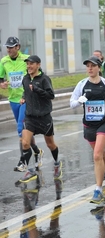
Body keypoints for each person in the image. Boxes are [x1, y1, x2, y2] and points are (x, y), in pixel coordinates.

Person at [70, 56, 105, 204]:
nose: (90, 68)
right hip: (89, 125)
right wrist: (78, 101)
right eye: (88, 66)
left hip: (104, 123)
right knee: (100, 155)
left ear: (99, 67)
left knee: (97, 155)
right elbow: (72, 103)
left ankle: (98, 190)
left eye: (93, 66)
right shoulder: (81, 84)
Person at [16, 55, 63, 191]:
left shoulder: (44, 79)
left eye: (31, 64)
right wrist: (24, 97)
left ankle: (56, 163)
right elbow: (26, 91)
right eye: (27, 64)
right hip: (30, 117)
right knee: (25, 142)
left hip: (44, 117)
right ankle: (29, 169)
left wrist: (37, 89)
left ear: (38, 65)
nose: (29, 66)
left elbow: (51, 95)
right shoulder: (25, 79)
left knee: (50, 144)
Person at [0, 36, 42, 172]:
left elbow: (38, 74)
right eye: (7, 47)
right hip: (13, 100)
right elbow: (0, 79)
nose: (9, 50)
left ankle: (22, 162)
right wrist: (2, 84)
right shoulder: (3, 61)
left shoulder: (26, 59)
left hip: (26, 99)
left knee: (20, 128)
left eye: (11, 47)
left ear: (18, 47)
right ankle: (37, 151)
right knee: (26, 131)